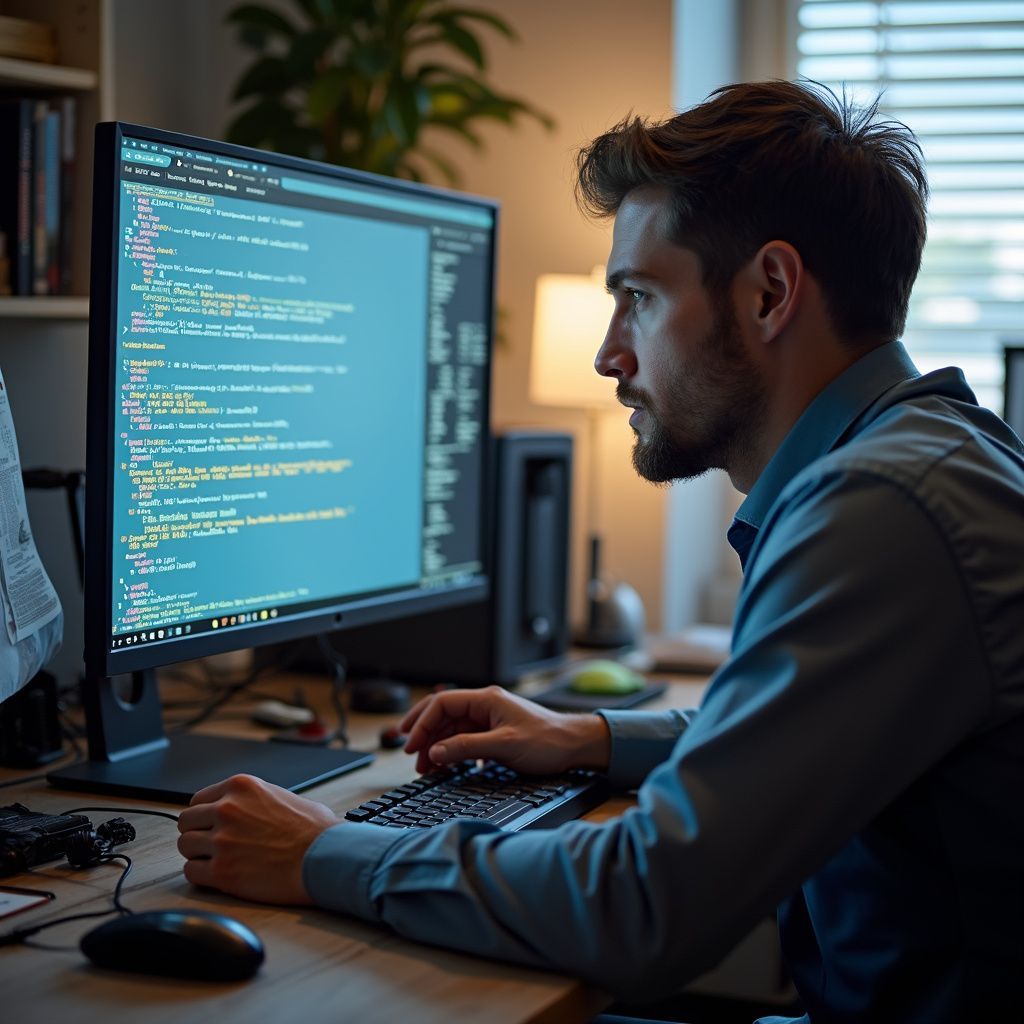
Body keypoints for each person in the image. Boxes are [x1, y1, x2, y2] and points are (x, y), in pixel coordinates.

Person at [176, 81, 1024, 1022]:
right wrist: (589, 737)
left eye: (639, 297)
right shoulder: (931, 453)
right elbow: (809, 733)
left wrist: (319, 853)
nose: (609, 354)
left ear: (770, 294)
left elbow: (642, 905)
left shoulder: (879, 508)